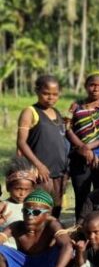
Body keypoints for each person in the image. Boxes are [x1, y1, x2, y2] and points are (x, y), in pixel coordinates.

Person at [0, 190, 73, 267]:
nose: (29, 216)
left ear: (47, 214)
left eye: (36, 212)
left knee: (66, 247)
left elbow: (68, 246)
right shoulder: (16, 226)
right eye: (26, 211)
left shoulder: (52, 225)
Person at [66, 72, 99, 220]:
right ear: (85, 86)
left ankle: (98, 229)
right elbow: (68, 129)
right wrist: (82, 149)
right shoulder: (75, 107)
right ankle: (79, 230)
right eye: (92, 85)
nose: (96, 89)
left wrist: (88, 147)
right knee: (81, 195)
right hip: (80, 158)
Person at [16, 75, 68, 218]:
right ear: (37, 91)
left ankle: (51, 239)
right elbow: (21, 142)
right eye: (46, 93)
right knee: (39, 211)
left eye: (55, 94)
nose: (50, 98)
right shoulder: (30, 112)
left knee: (55, 212)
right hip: (41, 174)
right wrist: (38, 165)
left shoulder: (56, 112)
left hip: (59, 173)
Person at [0, 157, 38, 249]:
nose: (22, 194)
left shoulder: (34, 206)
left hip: (29, 248)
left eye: (26, 190)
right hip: (7, 247)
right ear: (9, 188)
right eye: (18, 189)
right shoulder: (3, 206)